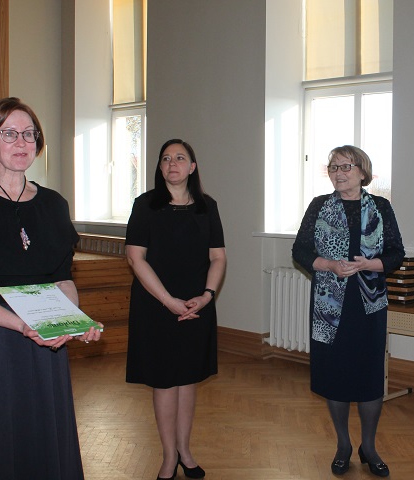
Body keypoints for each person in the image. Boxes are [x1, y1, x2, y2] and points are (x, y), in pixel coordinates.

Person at [0, 97, 102, 479]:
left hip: (46, 341)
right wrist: (23, 325)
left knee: (44, 439)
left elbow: (63, 279)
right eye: (9, 133)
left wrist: (71, 321)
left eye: (29, 133)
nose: (21, 142)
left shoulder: (54, 204)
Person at [292, 146, 404, 477]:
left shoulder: (381, 207)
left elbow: (396, 253)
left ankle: (369, 446)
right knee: (335, 374)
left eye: (346, 166)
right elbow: (300, 250)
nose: (339, 173)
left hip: (369, 305)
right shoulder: (319, 206)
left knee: (369, 376)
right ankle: (343, 444)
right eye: (334, 167)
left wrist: (369, 264)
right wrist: (329, 265)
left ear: (362, 171)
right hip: (329, 305)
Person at [125, 139, 226, 480]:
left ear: (192, 167)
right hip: (156, 304)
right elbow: (135, 258)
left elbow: (218, 257)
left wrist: (207, 295)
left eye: (180, 158)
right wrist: (168, 301)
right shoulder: (145, 205)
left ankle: (185, 450)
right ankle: (169, 456)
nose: (172, 163)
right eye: (166, 158)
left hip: (196, 304)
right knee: (165, 381)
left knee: (188, 378)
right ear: (160, 166)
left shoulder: (207, 206)